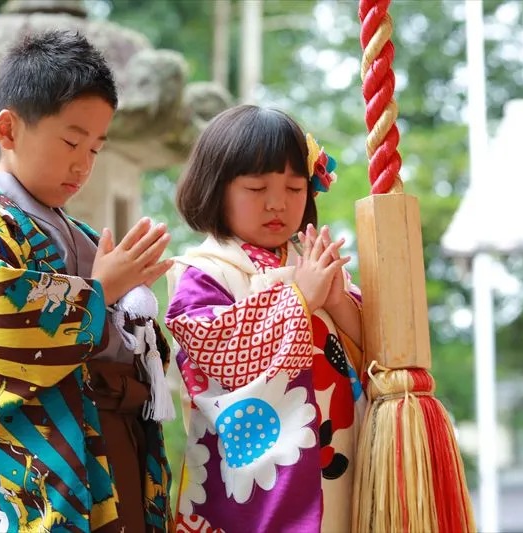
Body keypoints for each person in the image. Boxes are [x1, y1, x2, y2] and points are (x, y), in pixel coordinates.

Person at [0, 29, 174, 533]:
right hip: (34, 477)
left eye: (95, 148)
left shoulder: (85, 237)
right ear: (7, 129)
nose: (84, 164)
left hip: (112, 447)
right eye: (71, 141)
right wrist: (101, 294)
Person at [165, 105, 368, 532]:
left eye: (296, 189)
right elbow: (214, 350)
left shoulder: (310, 261)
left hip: (338, 449)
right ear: (215, 189)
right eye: (257, 188)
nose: (277, 203)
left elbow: (373, 352)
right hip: (256, 475)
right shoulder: (205, 271)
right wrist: (300, 300)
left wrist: (336, 301)